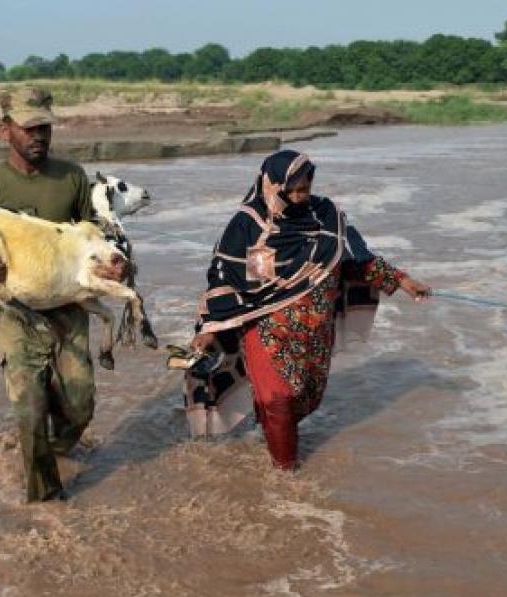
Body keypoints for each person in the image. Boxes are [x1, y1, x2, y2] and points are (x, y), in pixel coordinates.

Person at [185, 149, 431, 470]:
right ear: (272, 186)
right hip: (266, 330)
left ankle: (275, 444)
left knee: (302, 397)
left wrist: (401, 280)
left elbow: (356, 260)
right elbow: (224, 275)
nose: (300, 197)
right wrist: (209, 328)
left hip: (314, 335)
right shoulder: (247, 223)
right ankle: (285, 474)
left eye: (305, 188)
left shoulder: (326, 216)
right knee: (279, 399)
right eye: (292, 190)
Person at [0, 90, 96, 503]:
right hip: (11, 309)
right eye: (30, 128)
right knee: (28, 404)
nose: (40, 135)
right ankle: (45, 496)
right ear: (5, 131)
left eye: (45, 127)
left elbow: (92, 241)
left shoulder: (72, 178)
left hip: (66, 305)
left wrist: (114, 265)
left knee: (79, 405)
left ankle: (57, 446)